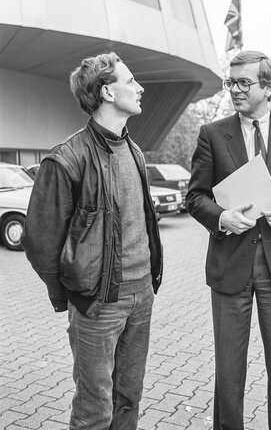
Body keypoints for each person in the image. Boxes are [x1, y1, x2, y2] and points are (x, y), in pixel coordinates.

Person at [22, 52, 163, 430]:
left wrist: (147, 281)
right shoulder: (66, 158)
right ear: (106, 92)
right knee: (94, 408)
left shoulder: (134, 152)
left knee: (128, 399)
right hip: (97, 304)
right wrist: (75, 295)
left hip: (141, 295)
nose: (140, 88)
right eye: (130, 81)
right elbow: (40, 242)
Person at [186, 50, 271, 430]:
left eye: (243, 82)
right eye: (231, 82)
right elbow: (195, 197)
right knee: (228, 372)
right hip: (230, 265)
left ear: (269, 86)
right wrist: (222, 218)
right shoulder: (212, 134)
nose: (234, 90)